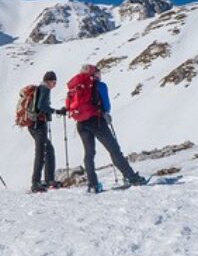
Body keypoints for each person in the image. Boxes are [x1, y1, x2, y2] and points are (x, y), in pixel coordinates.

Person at [61, 64, 146, 193]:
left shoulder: (76, 87)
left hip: (81, 123)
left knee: (89, 154)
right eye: (98, 73)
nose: (100, 75)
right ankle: (131, 177)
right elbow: (106, 106)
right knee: (114, 150)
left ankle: (93, 185)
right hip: (97, 121)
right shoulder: (100, 86)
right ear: (94, 74)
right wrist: (105, 113)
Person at [28, 71, 62, 193]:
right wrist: (55, 111)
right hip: (38, 125)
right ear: (49, 81)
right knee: (41, 152)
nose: (54, 85)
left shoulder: (40, 88)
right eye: (54, 82)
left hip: (33, 125)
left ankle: (48, 179)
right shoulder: (45, 89)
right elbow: (42, 106)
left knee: (48, 150)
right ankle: (36, 182)